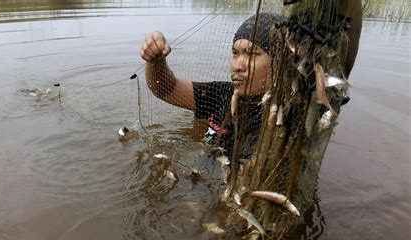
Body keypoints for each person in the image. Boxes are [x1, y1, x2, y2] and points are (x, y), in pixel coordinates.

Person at [140, 7, 362, 158]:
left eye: (252, 54)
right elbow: (164, 89)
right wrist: (156, 60)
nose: (238, 65)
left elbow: (347, 49)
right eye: (235, 53)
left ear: (280, 61)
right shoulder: (222, 94)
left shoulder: (293, 113)